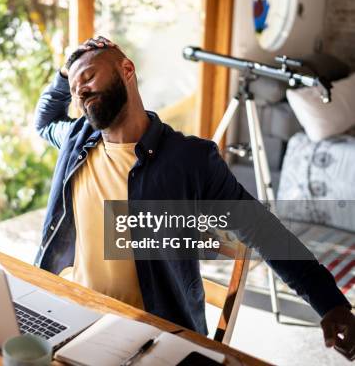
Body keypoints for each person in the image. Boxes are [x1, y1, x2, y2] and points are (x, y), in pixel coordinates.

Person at [33, 36, 354, 353]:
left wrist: (329, 303)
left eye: (88, 77)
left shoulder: (189, 160)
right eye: (75, 90)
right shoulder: (77, 139)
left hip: (149, 332)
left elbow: (262, 231)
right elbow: (44, 120)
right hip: (75, 307)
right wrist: (66, 74)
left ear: (127, 70)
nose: (81, 91)